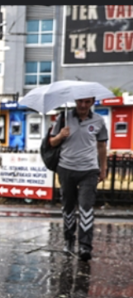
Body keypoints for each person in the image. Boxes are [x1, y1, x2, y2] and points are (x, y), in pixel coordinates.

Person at [49, 97, 108, 261]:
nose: (83, 105)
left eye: (87, 102)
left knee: (86, 207)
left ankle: (85, 246)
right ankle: (69, 240)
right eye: (80, 102)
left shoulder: (98, 120)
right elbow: (52, 142)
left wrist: (103, 168)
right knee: (68, 207)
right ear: (75, 101)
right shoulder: (63, 117)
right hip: (66, 169)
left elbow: (102, 146)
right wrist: (60, 135)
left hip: (89, 170)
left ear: (92, 103)